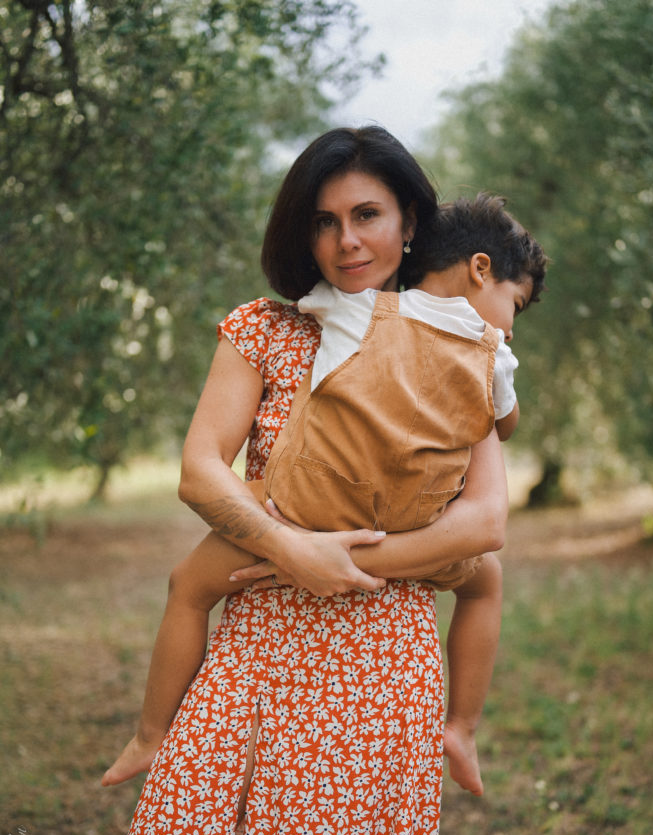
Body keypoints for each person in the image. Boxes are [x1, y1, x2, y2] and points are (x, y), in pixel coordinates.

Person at [58, 126, 512, 835]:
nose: (347, 241)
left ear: (410, 220)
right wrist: (292, 551)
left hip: (380, 676)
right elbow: (201, 470)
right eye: (324, 221)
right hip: (255, 664)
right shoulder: (266, 331)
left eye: (368, 216)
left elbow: (486, 521)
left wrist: (340, 553)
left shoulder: (459, 348)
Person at [102, 194, 546, 799]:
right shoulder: (493, 352)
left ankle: (152, 734)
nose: (511, 321)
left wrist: (298, 551)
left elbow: (303, 304)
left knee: (189, 586)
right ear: (480, 268)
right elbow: (504, 426)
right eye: (515, 304)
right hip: (414, 517)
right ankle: (463, 727)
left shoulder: (357, 308)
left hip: (306, 503)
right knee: (485, 581)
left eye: (366, 217)